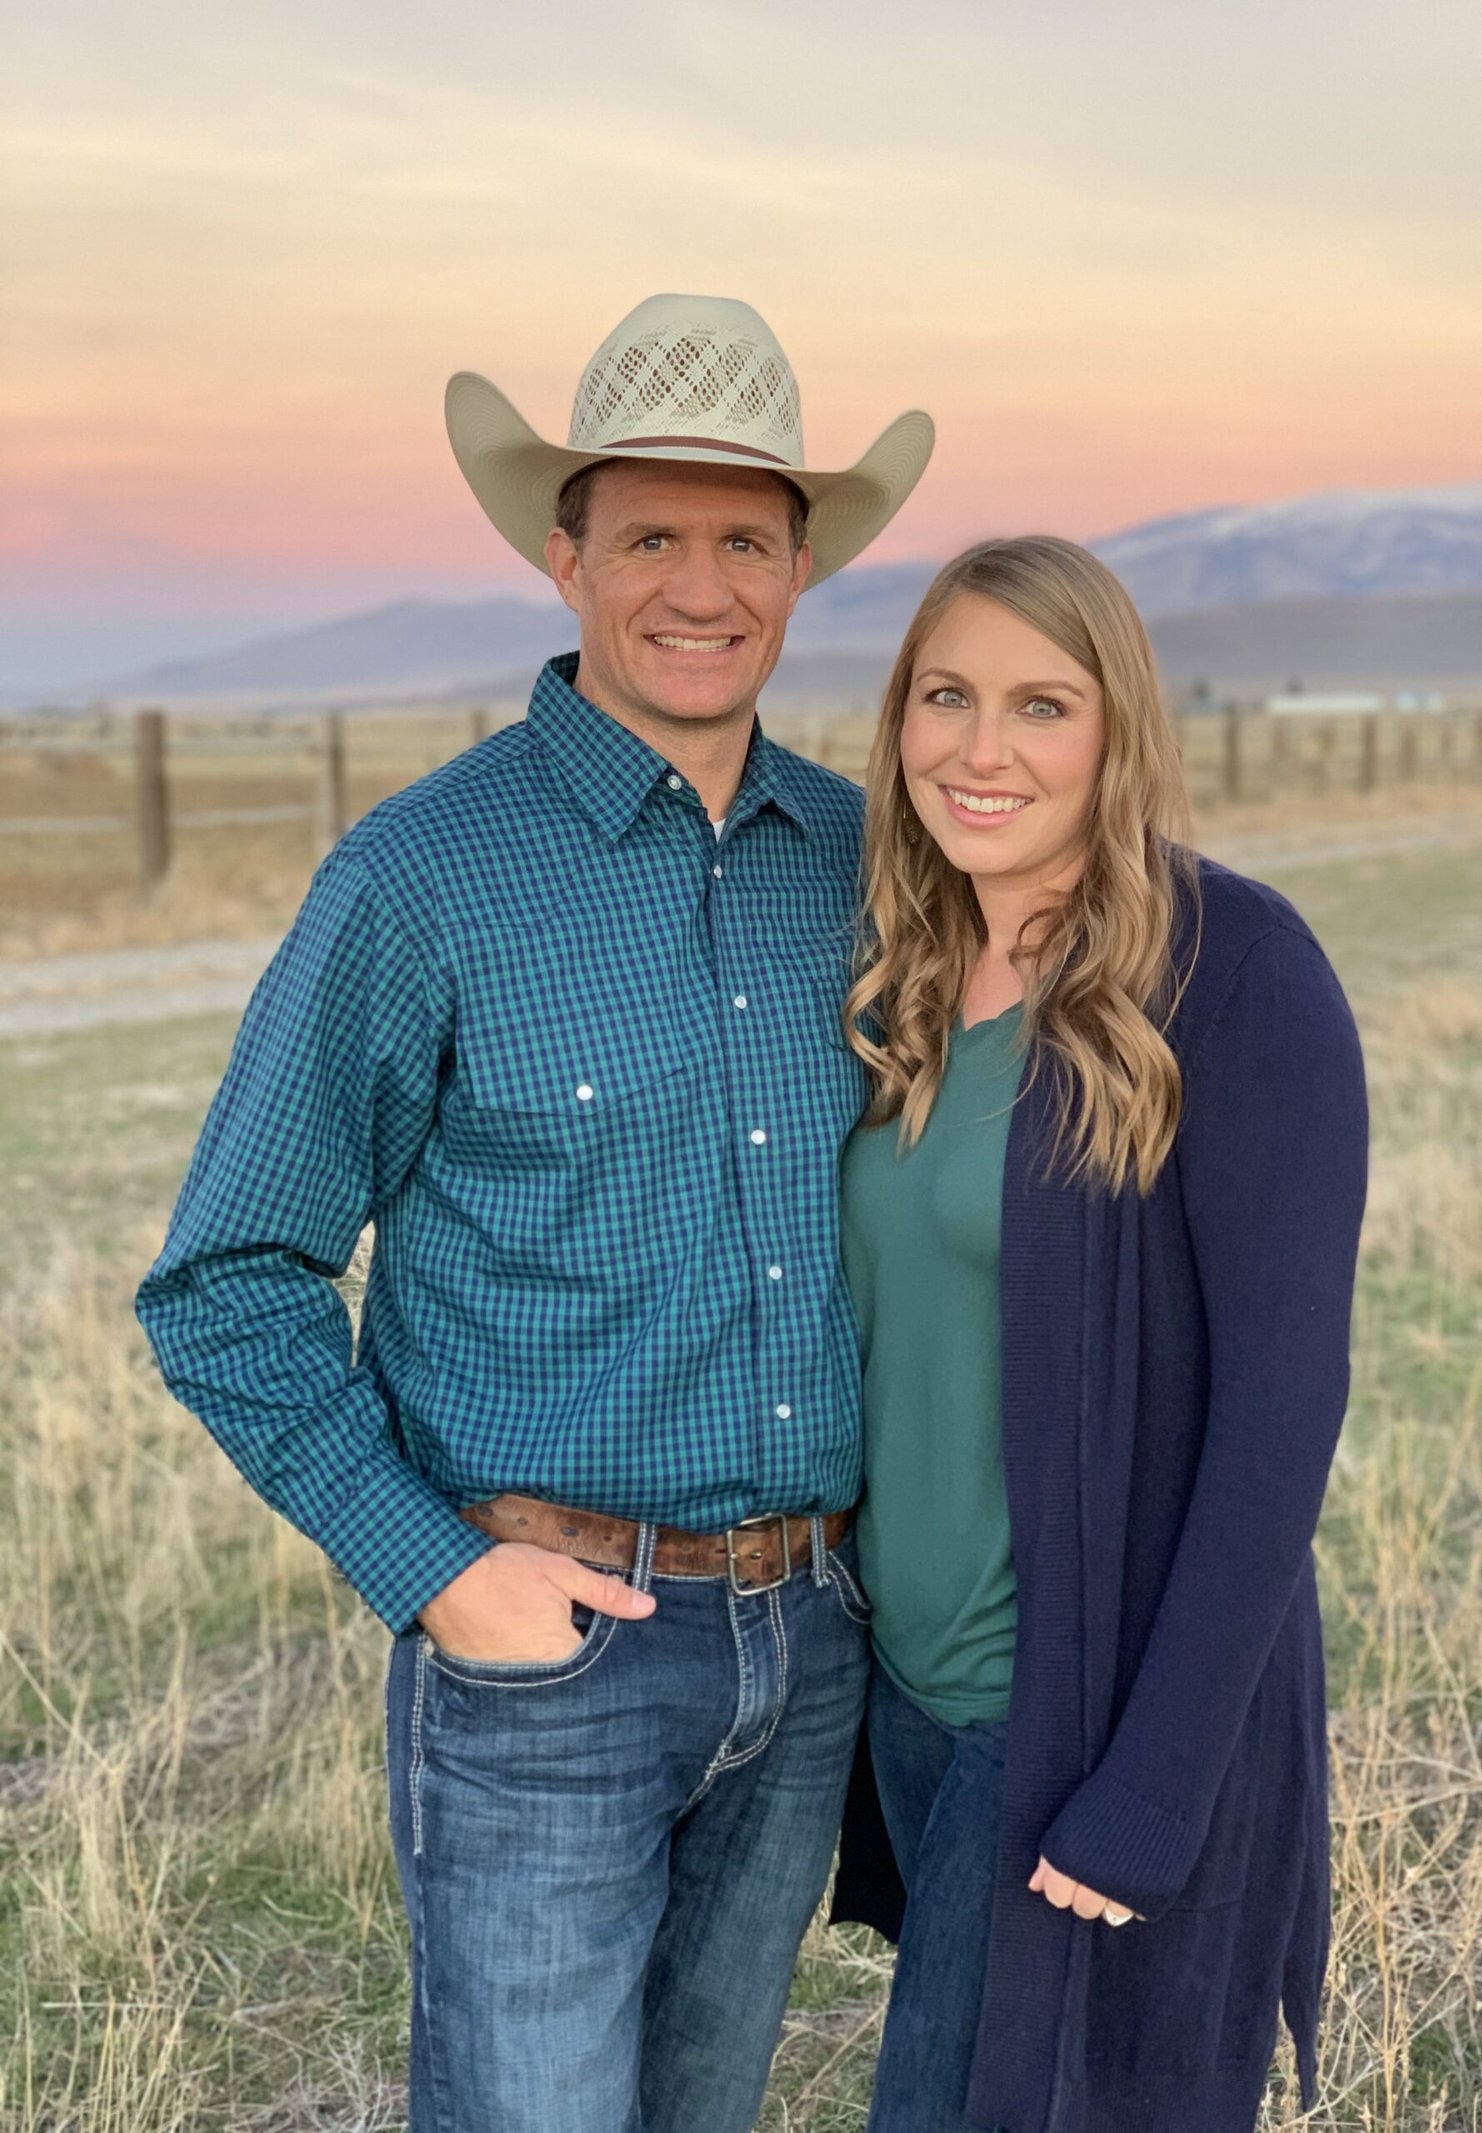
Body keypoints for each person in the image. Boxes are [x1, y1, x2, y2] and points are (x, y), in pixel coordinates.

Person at [135, 293, 933, 2133]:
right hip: (548, 1654)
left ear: (803, 566)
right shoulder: (422, 878)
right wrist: (438, 1574)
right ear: (563, 557)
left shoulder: (866, 866)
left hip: (810, 1644)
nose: (699, 583)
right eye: (650, 533)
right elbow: (226, 1281)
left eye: (745, 537)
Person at [830, 536, 1367, 2132]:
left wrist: (1151, 1787)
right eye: (947, 694)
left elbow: (1283, 1414)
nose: (981, 749)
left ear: (1118, 731)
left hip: (1071, 1717)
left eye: (1040, 705)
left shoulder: (1232, 970)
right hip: (913, 1701)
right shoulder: (914, 974)